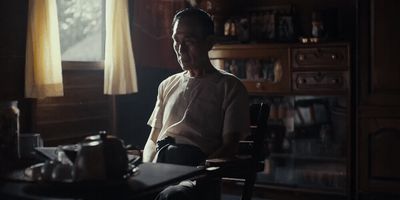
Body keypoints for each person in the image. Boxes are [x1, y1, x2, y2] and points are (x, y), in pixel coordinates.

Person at [143, 7, 250, 200]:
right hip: (160, 167)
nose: (180, 49)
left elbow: (230, 146)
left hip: (196, 175)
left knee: (173, 196)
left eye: (189, 42)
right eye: (176, 41)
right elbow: (152, 139)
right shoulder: (167, 85)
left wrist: (197, 171)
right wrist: (146, 169)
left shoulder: (229, 86)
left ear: (209, 43)